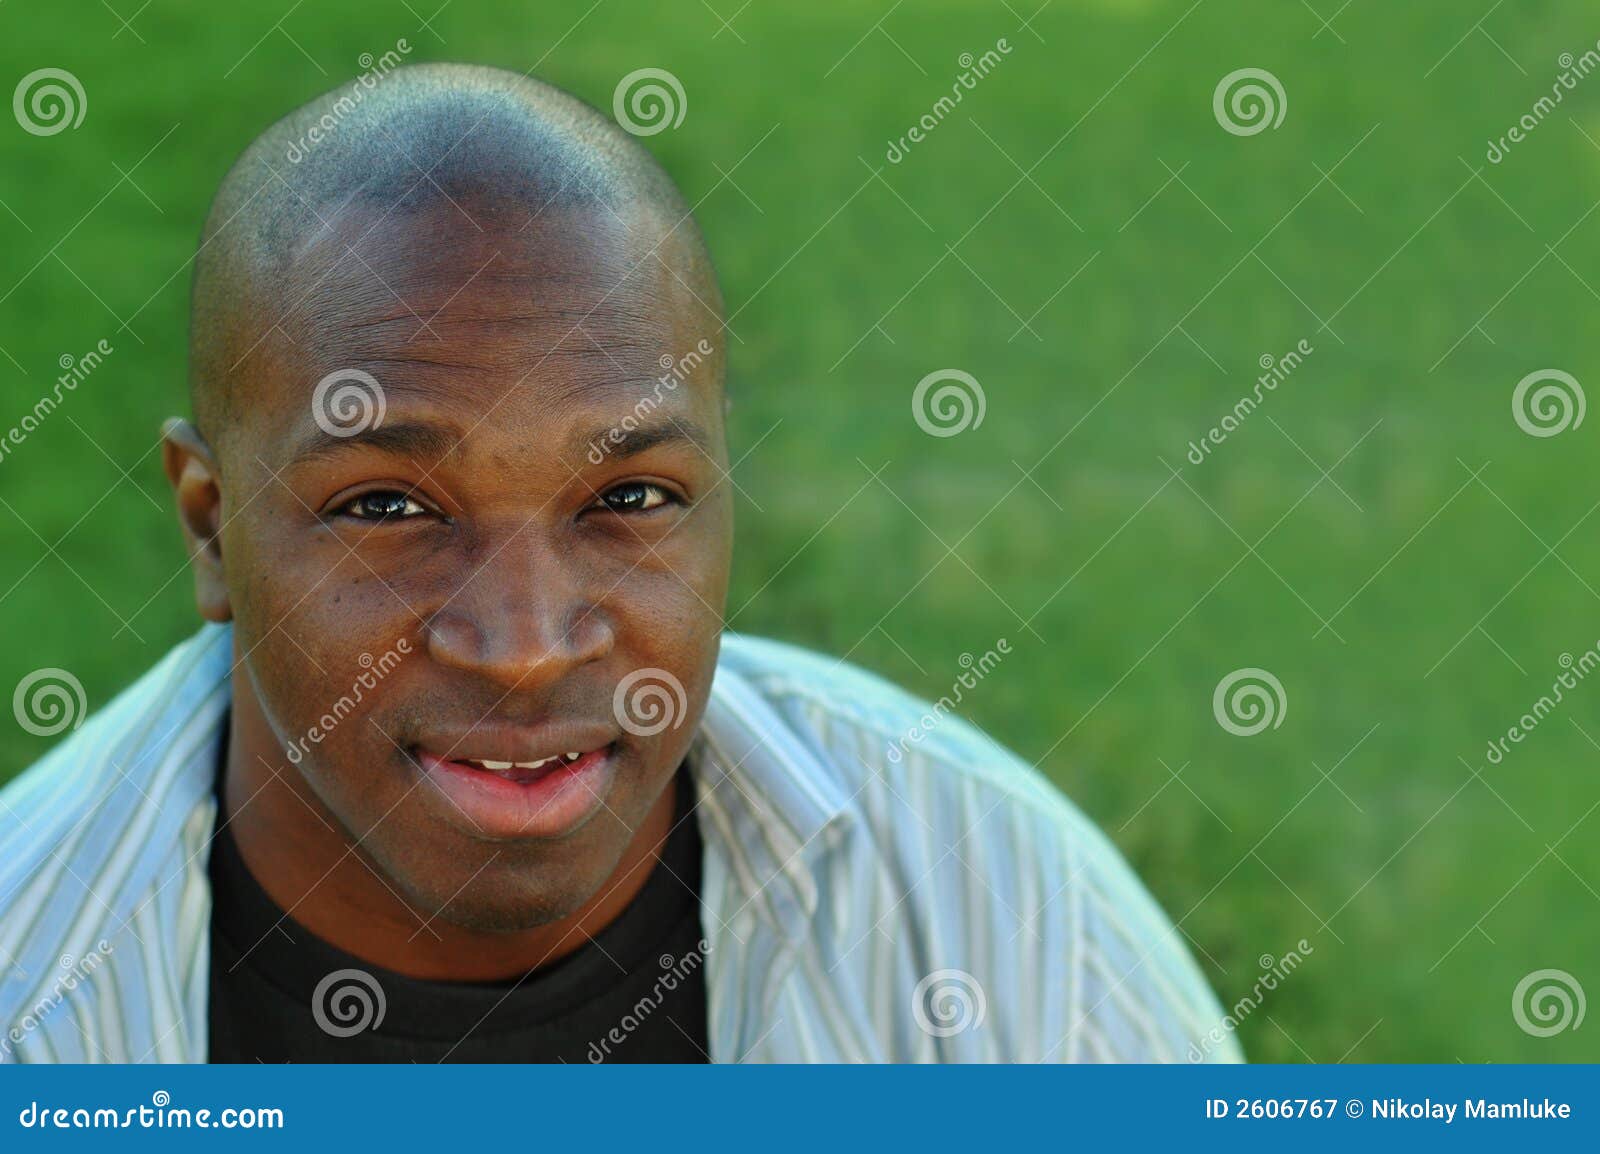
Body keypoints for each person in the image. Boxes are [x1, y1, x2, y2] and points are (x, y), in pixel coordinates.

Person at [0, 63, 1238, 1063]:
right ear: (212, 528)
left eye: (629, 496)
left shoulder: (1009, 916)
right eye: (386, 503)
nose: (530, 641)